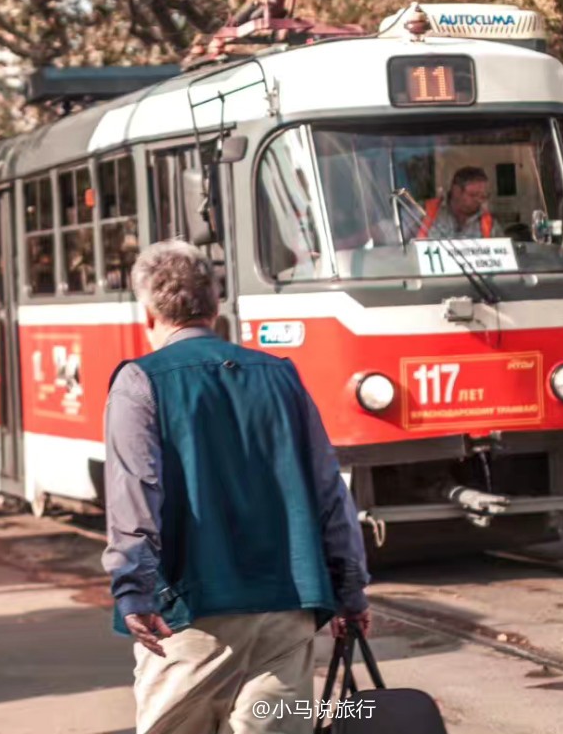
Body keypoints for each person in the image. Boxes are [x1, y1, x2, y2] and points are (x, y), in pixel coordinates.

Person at [103, 240, 369, 733]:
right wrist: (349, 591)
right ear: (215, 304)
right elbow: (328, 491)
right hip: (287, 610)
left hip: (190, 618)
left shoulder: (140, 383)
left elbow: (135, 500)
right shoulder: (281, 376)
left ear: (147, 313)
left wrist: (133, 594)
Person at [411, 165, 495, 238]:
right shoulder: (423, 211)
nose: (478, 200)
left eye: (483, 196)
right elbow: (399, 246)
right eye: (473, 195)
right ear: (456, 191)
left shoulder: (489, 222)